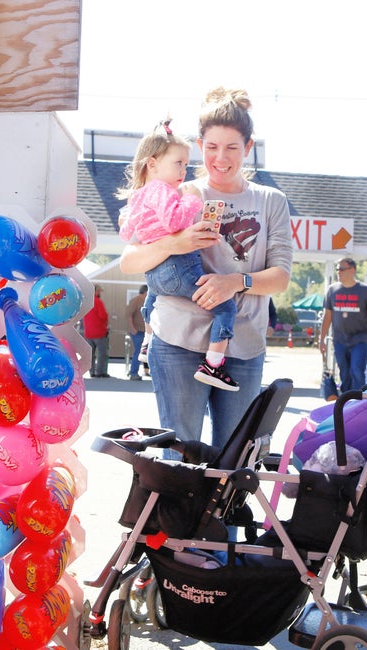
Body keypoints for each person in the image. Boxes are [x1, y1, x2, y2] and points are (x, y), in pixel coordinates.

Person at [119, 87, 293, 451]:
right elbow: (129, 261)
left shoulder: (270, 200)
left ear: (248, 147)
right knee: (179, 457)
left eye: (232, 147)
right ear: (199, 145)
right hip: (179, 340)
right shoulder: (177, 191)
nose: (221, 158)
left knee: (232, 457)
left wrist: (236, 282)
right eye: (212, 147)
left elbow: (280, 278)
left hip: (243, 345)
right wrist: (173, 244)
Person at [117, 119, 239, 391]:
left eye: (186, 164)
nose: (184, 171)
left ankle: (147, 344)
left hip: (155, 273)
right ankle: (214, 363)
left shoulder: (139, 195)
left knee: (153, 299)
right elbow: (174, 223)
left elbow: (127, 234)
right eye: (178, 163)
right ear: (153, 164)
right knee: (226, 306)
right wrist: (192, 198)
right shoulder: (163, 191)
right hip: (178, 266)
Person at [318, 258, 367, 394]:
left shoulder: (365, 291)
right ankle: (346, 401)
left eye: (342, 269)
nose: (339, 272)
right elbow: (327, 316)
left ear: (353, 270)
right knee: (344, 373)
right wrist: (322, 339)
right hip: (340, 340)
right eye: (337, 269)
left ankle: (359, 401)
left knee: (356, 370)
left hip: (360, 339)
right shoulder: (332, 290)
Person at [83, 284, 110, 378]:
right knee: (102, 353)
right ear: (94, 291)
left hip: (88, 332)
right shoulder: (98, 302)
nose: (99, 293)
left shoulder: (85, 302)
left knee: (91, 354)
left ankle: (92, 372)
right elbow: (103, 316)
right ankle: (100, 371)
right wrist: (106, 323)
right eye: (98, 291)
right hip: (99, 331)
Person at [124, 285, 148, 381]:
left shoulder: (147, 301)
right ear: (145, 292)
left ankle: (139, 371)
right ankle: (133, 373)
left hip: (146, 332)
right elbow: (128, 315)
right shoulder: (136, 301)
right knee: (138, 352)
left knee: (145, 353)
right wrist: (132, 328)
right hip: (138, 332)